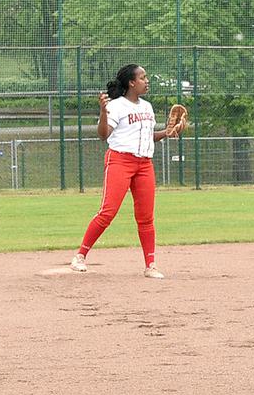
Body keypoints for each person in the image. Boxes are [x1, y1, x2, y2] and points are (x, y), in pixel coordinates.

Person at [69, 64, 178, 279]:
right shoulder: (116, 106)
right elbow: (103, 135)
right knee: (107, 212)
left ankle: (150, 265)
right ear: (131, 82)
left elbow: (148, 136)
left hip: (144, 164)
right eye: (143, 78)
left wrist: (166, 132)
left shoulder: (147, 107)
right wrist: (102, 112)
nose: (147, 81)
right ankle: (80, 256)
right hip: (120, 161)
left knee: (146, 217)